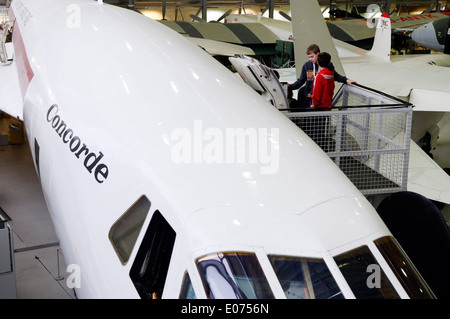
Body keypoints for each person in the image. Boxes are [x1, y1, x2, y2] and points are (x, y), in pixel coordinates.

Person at [288, 44, 356, 108]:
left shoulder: (328, 65)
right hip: (309, 98)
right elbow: (301, 81)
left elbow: (335, 76)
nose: (310, 59)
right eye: (309, 57)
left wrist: (346, 80)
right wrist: (289, 87)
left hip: (322, 100)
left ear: (318, 54)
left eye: (312, 57)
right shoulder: (307, 65)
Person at [309, 52, 335, 151]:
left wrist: (313, 105)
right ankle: (324, 150)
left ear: (318, 63)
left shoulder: (319, 77)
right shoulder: (331, 75)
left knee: (315, 131)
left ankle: (317, 151)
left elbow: (316, 95)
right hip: (327, 106)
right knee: (322, 130)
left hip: (318, 108)